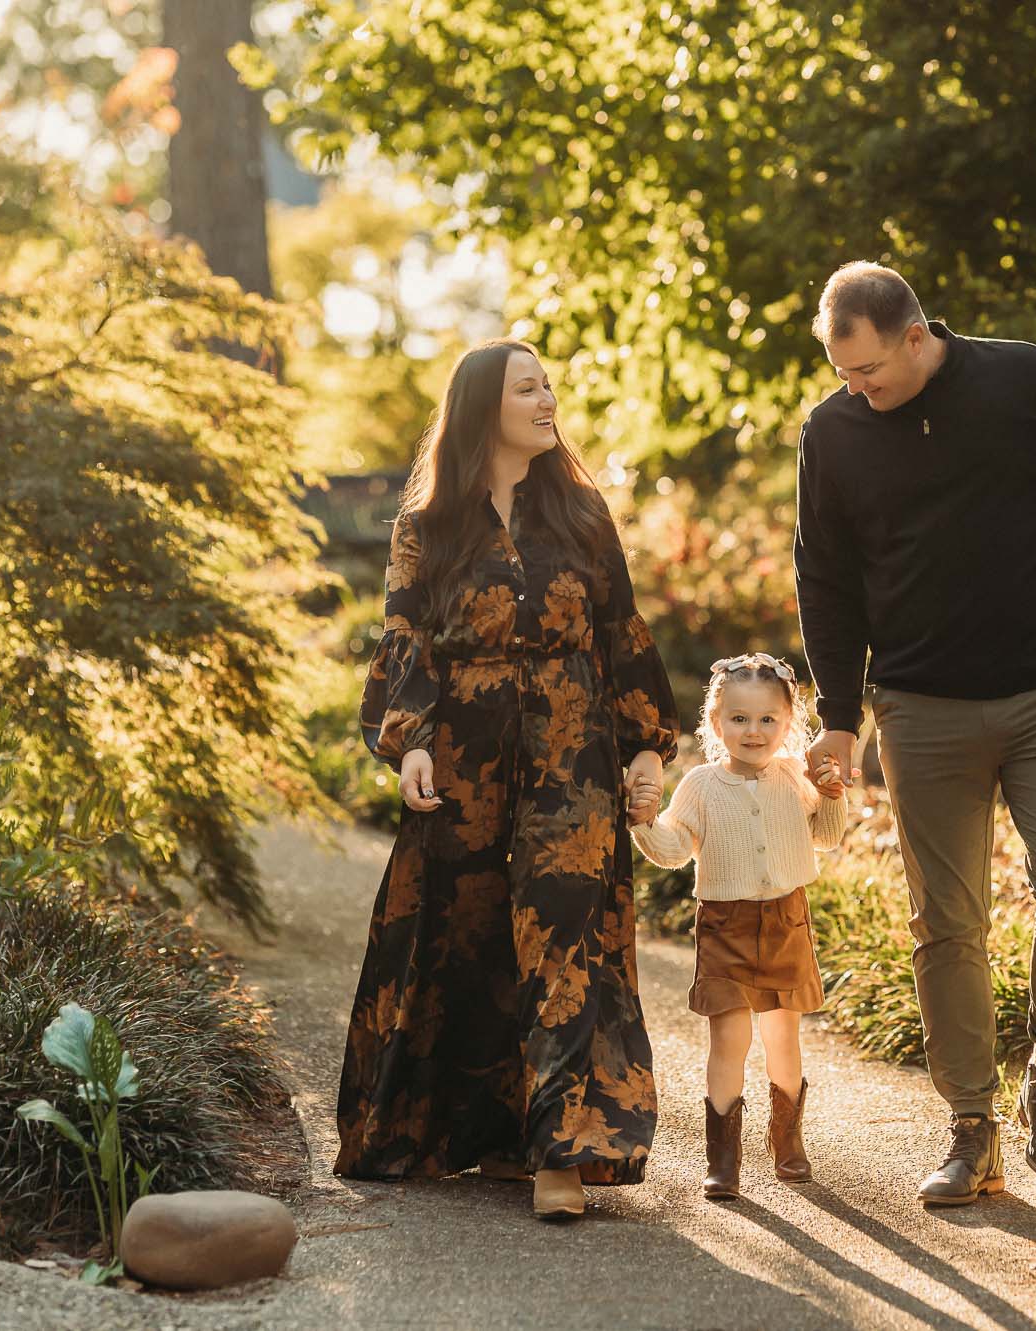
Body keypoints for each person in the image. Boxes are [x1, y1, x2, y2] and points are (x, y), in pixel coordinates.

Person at [793, 262, 1036, 1206]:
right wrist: (840, 718)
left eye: (871, 371)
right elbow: (826, 578)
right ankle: (971, 1126)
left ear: (919, 336)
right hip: (921, 706)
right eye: (844, 374)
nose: (859, 390)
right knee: (947, 923)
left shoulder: (1024, 379)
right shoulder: (834, 431)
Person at [335, 338, 679, 1223]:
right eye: (527, 387)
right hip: (467, 758)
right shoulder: (429, 524)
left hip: (573, 751)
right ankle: (479, 1127)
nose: (546, 397)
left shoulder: (581, 511)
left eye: (548, 384)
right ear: (484, 405)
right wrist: (407, 741)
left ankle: (560, 1152)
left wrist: (646, 744)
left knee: (564, 935)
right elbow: (403, 635)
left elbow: (620, 629)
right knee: (470, 934)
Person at [629, 653, 847, 1200]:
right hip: (725, 924)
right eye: (740, 719)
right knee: (729, 1038)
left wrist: (833, 796)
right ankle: (723, 1157)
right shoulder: (701, 785)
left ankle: (787, 1141)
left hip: (785, 919)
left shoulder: (795, 777)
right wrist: (643, 824)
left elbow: (824, 835)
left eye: (768, 720)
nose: (754, 731)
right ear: (716, 720)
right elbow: (676, 849)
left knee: (782, 1039)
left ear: (788, 723)